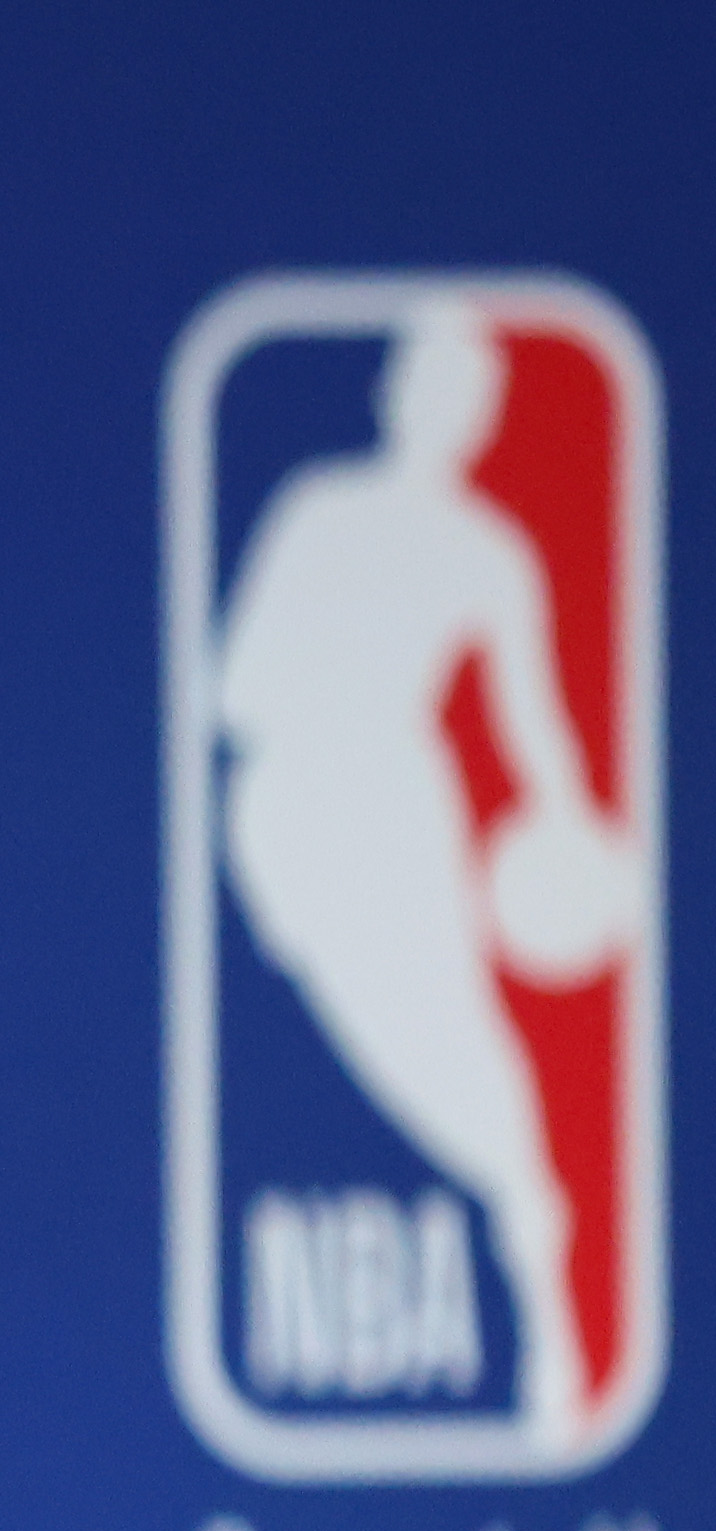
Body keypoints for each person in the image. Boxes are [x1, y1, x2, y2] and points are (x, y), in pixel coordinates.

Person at [215, 305, 640, 1446]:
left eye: (465, 397)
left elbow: (536, 728)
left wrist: (573, 837)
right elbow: (237, 689)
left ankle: (552, 1322)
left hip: (403, 819)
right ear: (394, 395)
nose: (440, 410)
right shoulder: (317, 511)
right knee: (386, 1051)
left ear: (480, 420)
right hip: (291, 817)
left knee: (477, 1070)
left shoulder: (491, 556)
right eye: (426, 385)